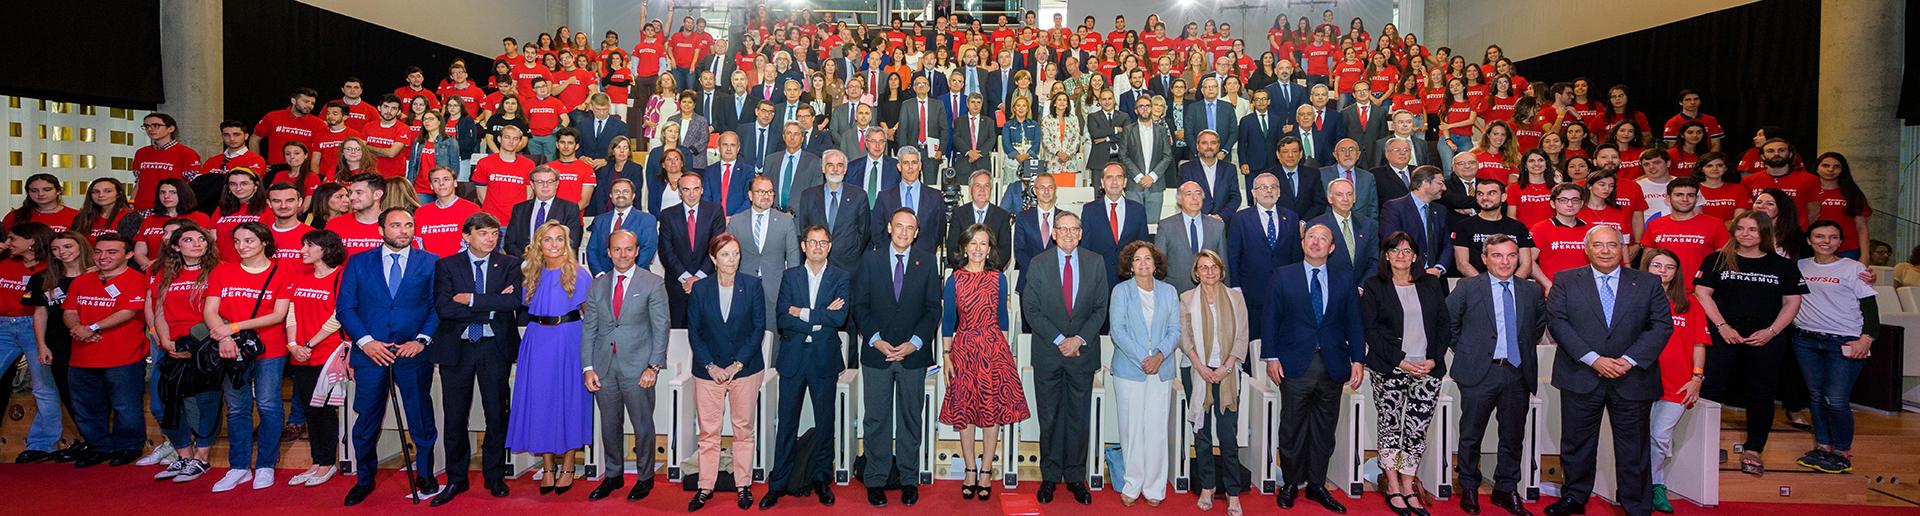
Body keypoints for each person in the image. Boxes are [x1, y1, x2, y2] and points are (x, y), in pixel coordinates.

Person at [1542, 225, 1671, 516]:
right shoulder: (1565, 280)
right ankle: (1574, 497)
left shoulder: (1648, 282)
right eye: (1598, 245)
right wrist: (1593, 359)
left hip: (1632, 376)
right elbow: (1558, 322)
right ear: (1586, 249)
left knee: (1634, 447)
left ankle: (1636, 504)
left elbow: (1661, 325)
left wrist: (1629, 359)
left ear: (1622, 248)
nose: (1605, 251)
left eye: (1612, 245)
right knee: (1576, 443)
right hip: (1581, 374)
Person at [338, 208, 442, 506]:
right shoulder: (358, 263)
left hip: (413, 352)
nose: (403, 230)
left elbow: (437, 308)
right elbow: (346, 308)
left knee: (420, 416)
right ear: (380, 229)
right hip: (371, 354)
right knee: (367, 419)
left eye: (408, 225)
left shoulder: (430, 262)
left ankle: (425, 474)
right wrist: (367, 342)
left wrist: (422, 340)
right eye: (396, 225)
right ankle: (365, 478)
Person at [1694, 211, 1807, 477]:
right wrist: (1722, 326)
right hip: (1723, 333)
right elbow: (1702, 293)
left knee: (1761, 393)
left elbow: (1792, 302)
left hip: (1765, 337)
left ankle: (1754, 449)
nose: (1745, 234)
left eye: (1753, 229)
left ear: (1765, 233)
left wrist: (1771, 331)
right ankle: (1706, 446)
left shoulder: (1783, 266)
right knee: (1710, 389)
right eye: (1740, 228)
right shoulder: (1717, 260)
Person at [1262, 223, 1365, 512]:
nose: (1316, 242)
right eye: (1311, 237)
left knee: (1324, 429)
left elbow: (1354, 322)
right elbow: (1270, 318)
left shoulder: (1344, 279)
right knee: (1292, 427)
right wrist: (1271, 356)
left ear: (1332, 248)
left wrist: (1358, 359)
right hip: (1294, 364)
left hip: (1332, 364)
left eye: (1323, 239)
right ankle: (1292, 483)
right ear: (1303, 242)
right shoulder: (1283, 275)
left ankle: (1317, 484)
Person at [1443, 232, 1544, 516]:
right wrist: (1468, 351)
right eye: (1497, 255)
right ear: (1485, 259)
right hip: (1479, 372)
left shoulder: (1531, 290)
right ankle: (1470, 488)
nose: (1505, 261)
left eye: (1512, 255)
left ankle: (1505, 489)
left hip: (1517, 373)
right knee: (1471, 435)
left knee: (1512, 436)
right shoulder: (1467, 287)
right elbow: (1448, 323)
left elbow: (1535, 328)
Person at [427, 213, 523, 505]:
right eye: (484, 234)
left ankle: (494, 477)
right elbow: (444, 307)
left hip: (495, 349)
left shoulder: (509, 264)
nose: (491, 239)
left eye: (495, 234)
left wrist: (469, 299)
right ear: (466, 236)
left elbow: (513, 302)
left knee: (496, 414)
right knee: (455, 417)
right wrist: (492, 304)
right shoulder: (447, 265)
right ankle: (456, 479)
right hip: (457, 349)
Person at [852, 208, 942, 507]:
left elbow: (933, 309)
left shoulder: (927, 262)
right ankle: (876, 479)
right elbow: (860, 306)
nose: (904, 232)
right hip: (877, 354)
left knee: (909, 418)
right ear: (890, 228)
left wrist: (914, 343)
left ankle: (908, 478)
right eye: (899, 226)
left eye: (910, 228)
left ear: (916, 233)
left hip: (912, 356)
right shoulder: (870, 260)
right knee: (876, 419)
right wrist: (876, 341)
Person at [1019, 210, 1109, 505]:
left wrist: (1078, 339)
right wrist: (1060, 340)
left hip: (1082, 353)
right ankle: (1049, 477)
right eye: (1063, 229)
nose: (1068, 234)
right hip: (1049, 353)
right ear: (1054, 233)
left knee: (1078, 418)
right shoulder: (1038, 263)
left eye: (1074, 229)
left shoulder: (1095, 263)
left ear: (1080, 234)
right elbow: (1030, 309)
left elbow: (1100, 308)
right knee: (1050, 417)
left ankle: (1074, 476)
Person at [934, 224, 1027, 502]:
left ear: (990, 249)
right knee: (965, 414)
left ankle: (987, 469)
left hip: (993, 349)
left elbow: (1003, 317)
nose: (977, 248)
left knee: (990, 412)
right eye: (973, 243)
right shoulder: (955, 280)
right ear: (964, 247)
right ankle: (970, 469)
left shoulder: (999, 279)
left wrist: (1006, 355)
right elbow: (949, 320)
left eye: (983, 244)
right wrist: (946, 355)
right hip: (963, 350)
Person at [761, 225, 851, 508]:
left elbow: (839, 319)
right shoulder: (790, 276)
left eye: (823, 242)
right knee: (786, 423)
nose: (817, 247)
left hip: (824, 358)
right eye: (812, 242)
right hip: (793, 358)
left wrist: (802, 312)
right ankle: (778, 483)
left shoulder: (840, 277)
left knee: (825, 423)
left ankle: (822, 479)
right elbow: (782, 318)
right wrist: (820, 315)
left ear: (830, 246)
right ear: (803, 246)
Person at [200, 222, 293, 492]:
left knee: (268, 405)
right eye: (238, 241)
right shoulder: (223, 270)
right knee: (238, 407)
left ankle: (265, 465)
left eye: (249, 241)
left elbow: (278, 315)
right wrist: (226, 338)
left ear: (264, 242)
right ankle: (238, 467)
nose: (242, 246)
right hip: (230, 348)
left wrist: (235, 327)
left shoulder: (280, 272)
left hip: (270, 349)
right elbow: (210, 310)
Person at [1363, 231, 1450, 516]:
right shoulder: (1375, 286)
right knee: (1391, 428)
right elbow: (1371, 331)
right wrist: (1400, 361)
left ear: (1415, 256)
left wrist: (1433, 359)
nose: (1401, 255)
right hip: (1389, 368)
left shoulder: (1431, 284)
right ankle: (1392, 486)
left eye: (1407, 250)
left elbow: (1442, 326)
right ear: (1386, 255)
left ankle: (1409, 484)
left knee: (1416, 430)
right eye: (1395, 250)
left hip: (1427, 368)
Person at [582, 229, 672, 502]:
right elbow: (589, 329)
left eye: (628, 249)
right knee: (609, 426)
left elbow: (661, 327)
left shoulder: (653, 283)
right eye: (617, 249)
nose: (623, 254)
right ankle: (613, 475)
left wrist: (653, 366)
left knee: (643, 427)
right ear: (608, 253)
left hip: (638, 369)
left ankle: (645, 478)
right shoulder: (597, 285)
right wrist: (588, 368)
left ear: (637, 251)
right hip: (603, 368)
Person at [504, 222, 593, 496]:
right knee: (540, 401)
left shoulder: (580, 274)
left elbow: (590, 317)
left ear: (566, 243)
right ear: (538, 244)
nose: (554, 245)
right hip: (537, 339)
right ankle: (548, 467)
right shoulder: (529, 273)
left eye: (559, 240)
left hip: (569, 339)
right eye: (548, 240)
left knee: (568, 401)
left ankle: (568, 466)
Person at [686, 232, 767, 511]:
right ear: (713, 258)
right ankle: (704, 486)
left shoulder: (752, 285)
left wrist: (736, 365)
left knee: (743, 429)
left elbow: (758, 330)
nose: (731, 260)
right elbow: (694, 333)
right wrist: (711, 366)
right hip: (707, 371)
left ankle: (742, 484)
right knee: (709, 432)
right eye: (725, 254)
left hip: (744, 370)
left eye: (735, 253)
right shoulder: (700, 289)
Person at [1790, 221, 1879, 475]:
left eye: (1832, 237)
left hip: (1845, 341)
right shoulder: (1799, 266)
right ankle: (1823, 447)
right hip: (1806, 340)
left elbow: (1870, 307)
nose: (1825, 241)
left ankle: (1841, 452)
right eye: (1819, 236)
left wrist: (1867, 338)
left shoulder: (1854, 268)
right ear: (1809, 240)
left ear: (1841, 242)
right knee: (1817, 397)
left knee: (1836, 399)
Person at [62, 234, 149, 468]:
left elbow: (128, 311)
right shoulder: (82, 281)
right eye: (99, 252)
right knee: (86, 406)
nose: (103, 257)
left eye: (112, 252)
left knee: (125, 406)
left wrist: (91, 327)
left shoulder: (136, 279)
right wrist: (77, 328)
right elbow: (69, 310)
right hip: (82, 356)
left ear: (129, 254)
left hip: (123, 356)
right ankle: (98, 446)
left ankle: (128, 446)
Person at [1175, 249, 1249, 513]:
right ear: (1196, 272)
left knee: (1227, 435)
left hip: (1227, 373)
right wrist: (1201, 367)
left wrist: (1226, 367)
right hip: (1197, 371)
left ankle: (1233, 492)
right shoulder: (1186, 299)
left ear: (1221, 270)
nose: (1209, 272)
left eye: (1214, 267)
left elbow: (1242, 336)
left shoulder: (1235, 298)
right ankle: (1207, 485)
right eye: (1203, 267)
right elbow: (1185, 339)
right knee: (1202, 433)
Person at [1107, 241, 1181, 506]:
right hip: (1129, 370)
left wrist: (1159, 355)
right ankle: (1132, 483)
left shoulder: (1169, 292)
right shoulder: (1121, 292)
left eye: (1147, 258)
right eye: (1137, 259)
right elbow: (1118, 330)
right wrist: (1143, 359)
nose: (1142, 263)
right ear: (1130, 266)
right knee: (1131, 429)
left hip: (1161, 370)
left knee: (1157, 429)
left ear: (1155, 263)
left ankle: (1154, 487)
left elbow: (1175, 329)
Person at [1638, 248, 1707, 513]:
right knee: (1639, 437)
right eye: (1657, 265)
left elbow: (1699, 343)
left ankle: (1656, 486)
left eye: (1669, 267)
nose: (1663, 271)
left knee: (1658, 437)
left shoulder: (1689, 303)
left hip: (1677, 384)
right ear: (1647, 267)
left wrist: (1697, 378)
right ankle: (1639, 485)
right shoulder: (1633, 299)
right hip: (1639, 380)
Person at [278, 229, 345, 489]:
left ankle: (328, 462)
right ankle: (318, 461)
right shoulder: (301, 276)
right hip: (301, 354)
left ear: (325, 249)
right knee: (310, 410)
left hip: (327, 353)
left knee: (325, 411)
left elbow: (338, 316)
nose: (303, 250)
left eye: (309, 246)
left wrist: (309, 344)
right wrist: (293, 344)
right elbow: (291, 312)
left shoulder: (340, 276)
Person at [0, 223, 59, 463]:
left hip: (33, 326)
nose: (9, 243)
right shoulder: (4, 262)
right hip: (3, 325)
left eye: (13, 239)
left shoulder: (50, 269)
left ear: (31, 242)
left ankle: (42, 445)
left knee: (43, 388)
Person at [728, 176, 801, 331]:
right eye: (761, 191)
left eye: (770, 192)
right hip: (743, 288)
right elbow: (726, 256)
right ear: (750, 195)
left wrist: (790, 290)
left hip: (775, 289)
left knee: (773, 338)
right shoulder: (736, 221)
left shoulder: (785, 222)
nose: (766, 196)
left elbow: (793, 258)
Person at [659, 172, 725, 328]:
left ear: (702, 190)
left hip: (708, 283)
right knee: (678, 338)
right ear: (680, 192)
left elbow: (717, 247)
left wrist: (699, 277)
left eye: (696, 189)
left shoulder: (715, 211)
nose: (691, 194)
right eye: (686, 189)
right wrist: (686, 278)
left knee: (709, 333)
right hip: (678, 286)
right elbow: (666, 251)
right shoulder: (667, 215)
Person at [794, 150, 870, 272]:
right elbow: (805, 229)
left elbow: (864, 232)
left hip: (849, 265)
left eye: (839, 165)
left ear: (845, 169)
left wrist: (851, 251)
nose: (835, 169)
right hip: (816, 263)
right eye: (830, 165)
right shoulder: (808, 196)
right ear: (823, 169)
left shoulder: (859, 196)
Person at [1450, 178, 1534, 280]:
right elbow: (1462, 264)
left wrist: (1510, 285)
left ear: (1503, 197)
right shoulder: (1463, 226)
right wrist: (1487, 286)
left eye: (1491, 193)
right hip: (1477, 286)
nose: (1485, 197)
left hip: (1511, 288)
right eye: (1480, 194)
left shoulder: (1518, 227)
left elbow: (1526, 264)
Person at [1082, 163, 1150, 287]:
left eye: (1118, 177)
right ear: (1102, 182)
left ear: (1124, 182)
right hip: (1099, 279)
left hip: (1130, 280)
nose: (1114, 182)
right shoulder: (1089, 210)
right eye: (1109, 177)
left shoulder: (1138, 210)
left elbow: (1143, 247)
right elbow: (1085, 248)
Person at [869, 146, 946, 254]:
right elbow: (877, 231)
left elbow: (939, 231)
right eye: (906, 163)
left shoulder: (935, 197)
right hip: (891, 260)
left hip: (924, 259)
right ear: (899, 167)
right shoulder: (884, 197)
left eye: (914, 162)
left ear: (920, 166)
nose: (910, 167)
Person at [1381, 166, 1453, 276]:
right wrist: (1418, 271)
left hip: (1436, 279)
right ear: (1424, 183)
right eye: (1440, 183)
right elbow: (1392, 243)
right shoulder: (1394, 208)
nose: (1444, 188)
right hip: (1406, 277)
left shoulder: (1440, 210)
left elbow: (1446, 244)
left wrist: (1439, 268)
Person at [1156, 182, 1227, 293]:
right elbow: (1159, 264)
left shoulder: (1217, 226)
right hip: (1176, 291)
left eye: (1198, 193)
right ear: (1179, 200)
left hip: (1210, 292)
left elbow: (1223, 263)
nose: (1194, 198)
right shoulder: (1166, 226)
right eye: (1188, 194)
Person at [504, 166, 585, 257]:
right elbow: (509, 243)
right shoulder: (519, 209)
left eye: (550, 182)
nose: (545, 185)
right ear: (532, 184)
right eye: (540, 182)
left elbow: (572, 243)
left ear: (557, 184)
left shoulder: (570, 209)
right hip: (524, 264)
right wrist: (527, 260)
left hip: (556, 266)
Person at [1312, 178, 1381, 283]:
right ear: (1330, 199)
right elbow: (1314, 263)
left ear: (1354, 198)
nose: (1345, 199)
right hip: (1330, 289)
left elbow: (1374, 260)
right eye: (1339, 195)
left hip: (1363, 289)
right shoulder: (1316, 226)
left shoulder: (1368, 225)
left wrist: (1363, 286)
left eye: (1349, 194)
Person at [585, 179, 658, 273]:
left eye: (626, 192)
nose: (621, 195)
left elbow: (647, 251)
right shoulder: (600, 220)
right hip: (604, 279)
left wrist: (628, 276)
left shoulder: (647, 220)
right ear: (611, 195)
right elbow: (592, 250)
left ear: (633, 196)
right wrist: (599, 274)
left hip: (636, 278)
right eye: (617, 192)